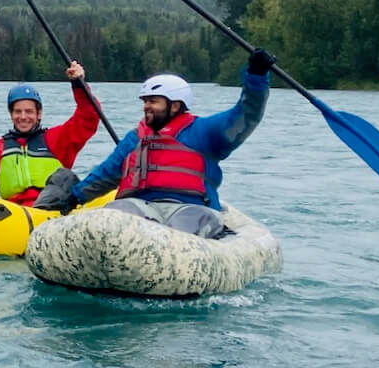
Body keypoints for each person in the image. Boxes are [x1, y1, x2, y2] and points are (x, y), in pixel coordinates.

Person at [32, 49, 275, 238]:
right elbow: (106, 174)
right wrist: (74, 197)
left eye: (154, 101)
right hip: (139, 206)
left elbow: (246, 115)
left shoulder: (205, 131)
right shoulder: (136, 138)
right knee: (115, 216)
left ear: (176, 105)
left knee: (186, 223)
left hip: (189, 208)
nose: (147, 106)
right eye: (145, 101)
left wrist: (256, 77)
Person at [0, 61, 100, 207]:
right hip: (15, 216)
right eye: (18, 111)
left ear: (39, 114)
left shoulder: (57, 139)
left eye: (29, 111)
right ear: (11, 114)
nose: (23, 117)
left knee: (66, 177)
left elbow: (89, 117)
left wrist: (78, 84)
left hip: (52, 212)